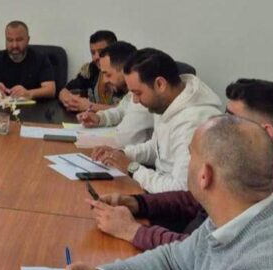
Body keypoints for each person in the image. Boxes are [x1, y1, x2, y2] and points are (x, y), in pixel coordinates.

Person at [61, 115, 273, 270]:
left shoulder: (272, 269)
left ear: (204, 175)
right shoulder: (235, 217)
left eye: (191, 155)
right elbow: (174, 262)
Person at [88, 78, 273, 249]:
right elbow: (198, 199)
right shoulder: (255, 162)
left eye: (232, 120)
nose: (221, 126)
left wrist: (133, 231)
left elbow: (208, 252)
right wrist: (138, 203)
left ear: (265, 132)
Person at [92, 48, 221, 193]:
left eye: (138, 93)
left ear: (160, 84)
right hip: (158, 188)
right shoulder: (166, 102)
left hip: (173, 200)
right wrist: (122, 154)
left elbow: (181, 190)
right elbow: (156, 148)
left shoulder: (193, 122)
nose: (135, 100)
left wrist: (132, 168)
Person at [77, 41, 154, 147]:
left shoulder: (143, 98)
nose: (104, 81)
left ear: (125, 70)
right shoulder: (132, 94)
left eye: (108, 74)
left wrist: (83, 140)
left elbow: (123, 140)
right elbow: (120, 110)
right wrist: (99, 118)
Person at [0, 21, 56, 99]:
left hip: (33, 107)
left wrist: (29, 93)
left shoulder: (40, 58)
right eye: (10, 40)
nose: (14, 45)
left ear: (28, 40)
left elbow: (51, 90)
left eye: (19, 40)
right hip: (3, 106)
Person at [60, 30, 118, 113]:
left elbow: (126, 111)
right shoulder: (91, 69)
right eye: (93, 53)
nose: (96, 57)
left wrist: (90, 106)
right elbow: (64, 90)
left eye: (101, 52)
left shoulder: (126, 75)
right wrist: (69, 101)